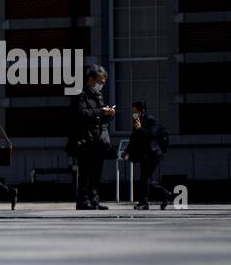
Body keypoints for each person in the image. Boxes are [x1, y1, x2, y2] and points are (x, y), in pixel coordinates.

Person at [67, 64, 115, 210]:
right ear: (91, 79)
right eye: (99, 82)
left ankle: (94, 199)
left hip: (98, 140)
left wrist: (109, 114)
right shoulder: (80, 94)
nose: (101, 85)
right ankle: (83, 200)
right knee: (85, 173)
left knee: (96, 173)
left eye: (103, 83)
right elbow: (82, 114)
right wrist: (101, 111)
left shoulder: (98, 95)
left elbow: (100, 117)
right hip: (84, 140)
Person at [123, 100, 173, 210]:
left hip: (153, 155)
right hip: (144, 155)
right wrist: (126, 151)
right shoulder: (136, 121)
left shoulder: (151, 120)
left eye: (136, 112)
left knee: (145, 179)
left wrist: (140, 129)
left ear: (142, 111)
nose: (134, 114)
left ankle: (144, 203)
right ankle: (164, 194)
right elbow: (134, 138)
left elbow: (151, 135)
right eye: (133, 112)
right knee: (145, 179)